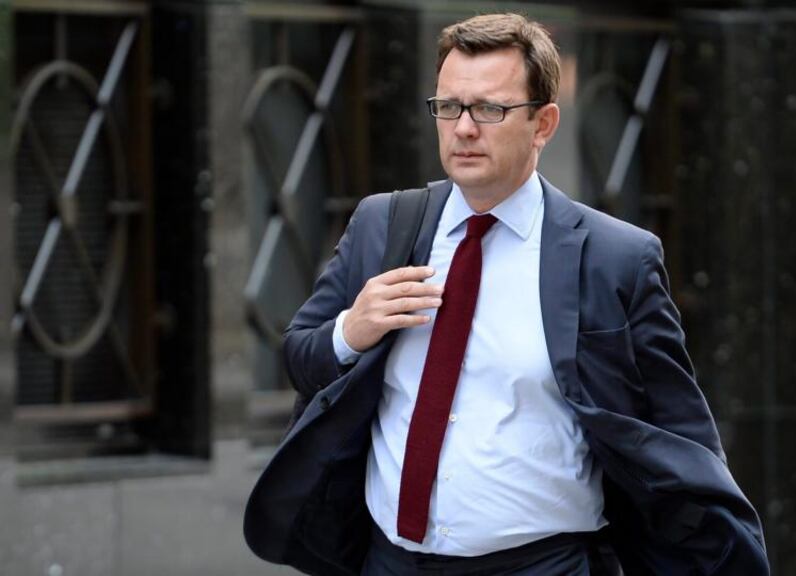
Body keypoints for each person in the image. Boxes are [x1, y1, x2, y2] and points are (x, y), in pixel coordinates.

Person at [245, 13, 768, 576]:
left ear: (543, 124)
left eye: (490, 109)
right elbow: (301, 356)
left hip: (543, 564)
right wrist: (352, 330)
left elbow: (678, 432)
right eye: (449, 106)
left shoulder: (616, 258)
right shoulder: (383, 226)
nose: (464, 128)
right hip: (388, 562)